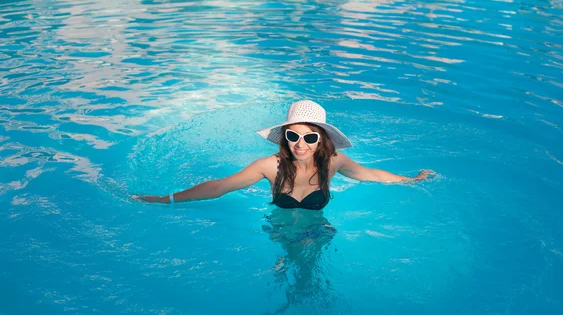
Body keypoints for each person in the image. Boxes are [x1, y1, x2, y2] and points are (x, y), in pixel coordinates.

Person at [135, 100, 435, 208]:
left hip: (318, 232)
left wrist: (412, 180)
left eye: (309, 136)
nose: (300, 144)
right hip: (278, 232)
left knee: (310, 284)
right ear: (285, 137)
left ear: (322, 140)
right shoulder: (269, 166)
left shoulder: (334, 162)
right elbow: (220, 187)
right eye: (293, 135)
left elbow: (371, 175)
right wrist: (167, 199)